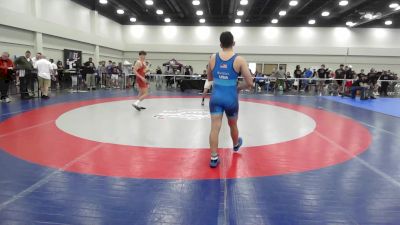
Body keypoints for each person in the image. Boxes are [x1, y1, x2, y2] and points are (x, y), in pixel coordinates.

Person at [207, 31, 253, 168]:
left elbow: (209, 78)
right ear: (233, 43)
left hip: (216, 97)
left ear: (220, 44)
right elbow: (250, 83)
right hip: (231, 98)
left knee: (215, 128)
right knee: (233, 125)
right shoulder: (240, 60)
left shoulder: (213, 58)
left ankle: (214, 158)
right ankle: (235, 145)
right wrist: (239, 87)